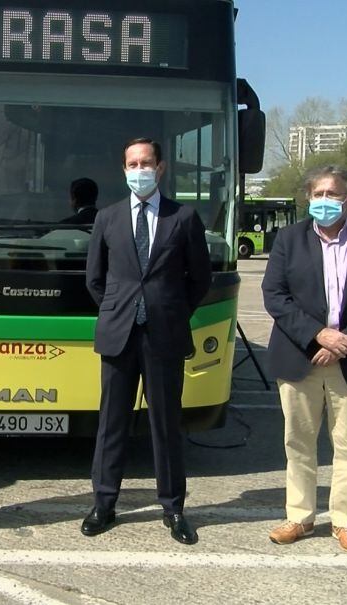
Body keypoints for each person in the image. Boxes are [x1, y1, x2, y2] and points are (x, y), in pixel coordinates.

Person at [261, 165, 347, 555]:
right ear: (308, 197)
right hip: (300, 356)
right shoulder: (288, 239)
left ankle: (346, 522)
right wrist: (317, 335)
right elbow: (275, 295)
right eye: (318, 193)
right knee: (298, 444)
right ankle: (300, 517)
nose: (325, 201)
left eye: (333, 194)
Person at [82, 138, 212, 543]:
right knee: (111, 424)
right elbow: (95, 279)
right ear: (124, 169)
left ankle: (173, 508)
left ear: (161, 168)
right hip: (119, 335)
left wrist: (169, 311)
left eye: (146, 162)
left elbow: (200, 279)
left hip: (165, 336)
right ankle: (104, 504)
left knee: (166, 424)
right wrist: (121, 309)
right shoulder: (108, 218)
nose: (139, 169)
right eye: (132, 163)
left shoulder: (184, 217)